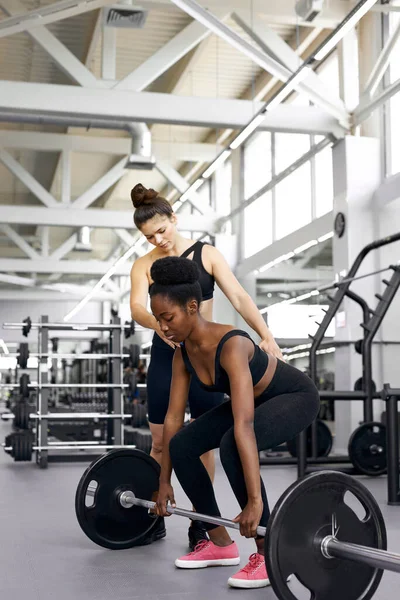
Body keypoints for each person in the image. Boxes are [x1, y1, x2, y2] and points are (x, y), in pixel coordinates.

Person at [129, 183, 283, 550]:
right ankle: (156, 512)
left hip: (205, 358)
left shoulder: (207, 254)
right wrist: (158, 325)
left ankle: (201, 523)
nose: (158, 240)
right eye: (149, 237)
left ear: (173, 219)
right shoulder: (144, 265)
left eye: (162, 230)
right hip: (167, 356)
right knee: (161, 442)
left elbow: (239, 295)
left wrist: (266, 334)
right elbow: (137, 307)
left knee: (202, 443)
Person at [151, 256, 320, 589]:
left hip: (293, 397)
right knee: (183, 444)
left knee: (231, 442)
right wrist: (164, 481)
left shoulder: (232, 344)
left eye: (167, 317)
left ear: (191, 307)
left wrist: (254, 501)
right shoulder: (181, 354)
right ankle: (219, 543)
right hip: (255, 403)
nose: (163, 327)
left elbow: (243, 426)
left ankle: (268, 550)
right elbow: (173, 419)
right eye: (158, 319)